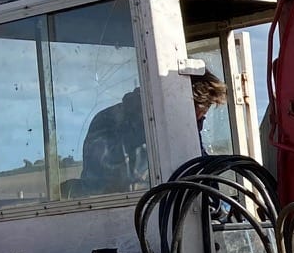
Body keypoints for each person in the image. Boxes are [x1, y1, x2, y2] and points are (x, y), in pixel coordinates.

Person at [77, 72, 227, 195]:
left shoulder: (179, 129)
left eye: (202, 116)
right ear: (177, 102)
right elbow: (106, 179)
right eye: (198, 113)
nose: (199, 120)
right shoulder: (110, 121)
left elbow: (201, 171)